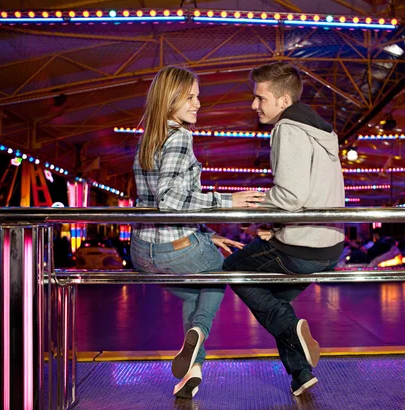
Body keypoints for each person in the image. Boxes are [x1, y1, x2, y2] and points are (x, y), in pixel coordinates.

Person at [130, 66, 265, 399]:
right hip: (173, 247)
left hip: (141, 250)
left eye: (197, 96)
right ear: (171, 98)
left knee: (195, 294)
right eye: (190, 97)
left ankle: (192, 369)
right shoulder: (179, 136)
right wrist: (227, 202)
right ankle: (199, 332)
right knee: (222, 273)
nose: (198, 104)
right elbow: (170, 198)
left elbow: (160, 198)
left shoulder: (150, 137)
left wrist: (207, 234)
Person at [223, 62, 345, 396]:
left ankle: (293, 333)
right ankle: (300, 373)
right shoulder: (322, 132)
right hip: (329, 245)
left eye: (260, 97)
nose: (254, 105)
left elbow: (290, 196)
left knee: (233, 269)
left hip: (302, 246)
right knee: (272, 301)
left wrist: (254, 208)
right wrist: (272, 223)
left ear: (282, 100)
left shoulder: (287, 127)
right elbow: (305, 195)